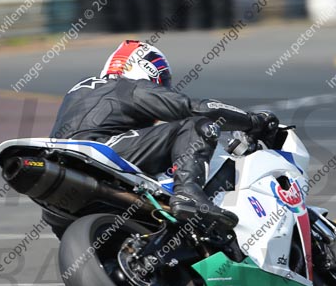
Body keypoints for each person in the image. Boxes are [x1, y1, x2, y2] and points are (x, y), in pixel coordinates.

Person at [49, 40, 278, 228]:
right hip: (101, 151)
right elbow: (195, 107)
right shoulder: (131, 86)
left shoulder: (80, 88)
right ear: (147, 70)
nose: (164, 86)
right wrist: (253, 121)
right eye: (163, 80)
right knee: (197, 124)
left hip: (61, 168)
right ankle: (188, 192)